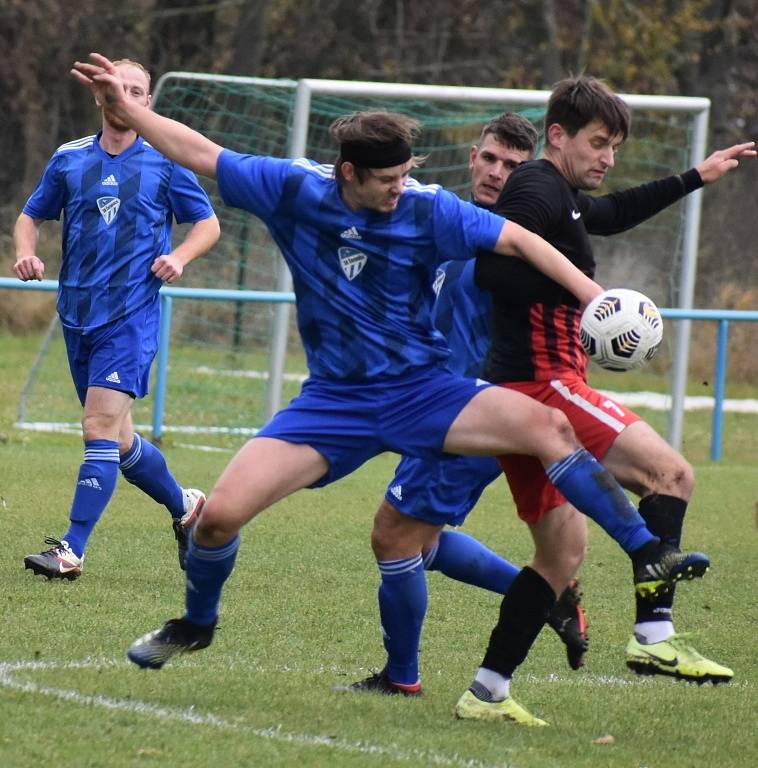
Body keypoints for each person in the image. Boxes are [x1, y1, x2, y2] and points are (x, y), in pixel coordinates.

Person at [72, 55, 705, 686]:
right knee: (217, 519)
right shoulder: (296, 190)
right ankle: (196, 623)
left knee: (547, 428)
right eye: (387, 180)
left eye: (407, 175)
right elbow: (204, 154)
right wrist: (130, 111)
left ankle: (647, 551)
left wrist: (591, 296)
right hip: (334, 403)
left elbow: (518, 240)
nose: (400, 188)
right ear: (347, 172)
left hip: (423, 391)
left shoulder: (429, 209)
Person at [455, 75, 754, 724]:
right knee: (671, 473)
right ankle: (654, 639)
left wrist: (695, 176)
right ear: (557, 135)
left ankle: (486, 691)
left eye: (615, 147)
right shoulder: (535, 186)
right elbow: (490, 268)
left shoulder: (557, 191)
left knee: (561, 556)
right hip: (546, 385)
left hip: (524, 390)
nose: (608, 158)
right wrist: (589, 302)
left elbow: (610, 214)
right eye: (598, 143)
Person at [343, 113, 590, 699]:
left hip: (478, 413)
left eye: (512, 165)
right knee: (421, 543)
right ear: (473, 156)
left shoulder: (519, 246)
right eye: (490, 159)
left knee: (393, 535)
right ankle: (547, 593)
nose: (497, 172)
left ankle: (402, 677)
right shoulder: (454, 225)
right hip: (434, 406)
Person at [15, 57, 220, 580]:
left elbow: (207, 223)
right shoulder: (69, 159)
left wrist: (180, 257)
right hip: (78, 315)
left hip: (130, 316)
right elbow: (30, 215)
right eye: (117, 87)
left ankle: (71, 550)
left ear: (147, 102)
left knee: (98, 427)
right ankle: (186, 507)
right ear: (101, 97)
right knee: (120, 439)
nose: (126, 95)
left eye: (137, 89)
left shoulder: (165, 160)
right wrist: (26, 252)